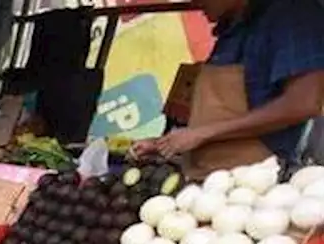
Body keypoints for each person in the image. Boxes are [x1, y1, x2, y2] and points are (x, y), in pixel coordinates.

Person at [134, 0, 325, 167]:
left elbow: (303, 104)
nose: (194, 2)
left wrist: (202, 133)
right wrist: (166, 144)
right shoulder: (231, 30)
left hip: (262, 180)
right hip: (212, 176)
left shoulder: (292, 16)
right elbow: (218, 120)